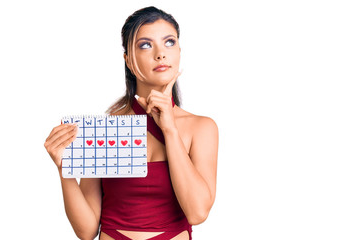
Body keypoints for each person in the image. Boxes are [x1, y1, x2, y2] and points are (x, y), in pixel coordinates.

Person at [44, 6, 218, 240]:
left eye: (169, 42)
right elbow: (86, 231)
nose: (160, 54)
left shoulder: (201, 128)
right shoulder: (105, 129)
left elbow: (197, 213)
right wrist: (64, 169)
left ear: (179, 51)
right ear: (128, 59)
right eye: (145, 44)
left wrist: (169, 129)